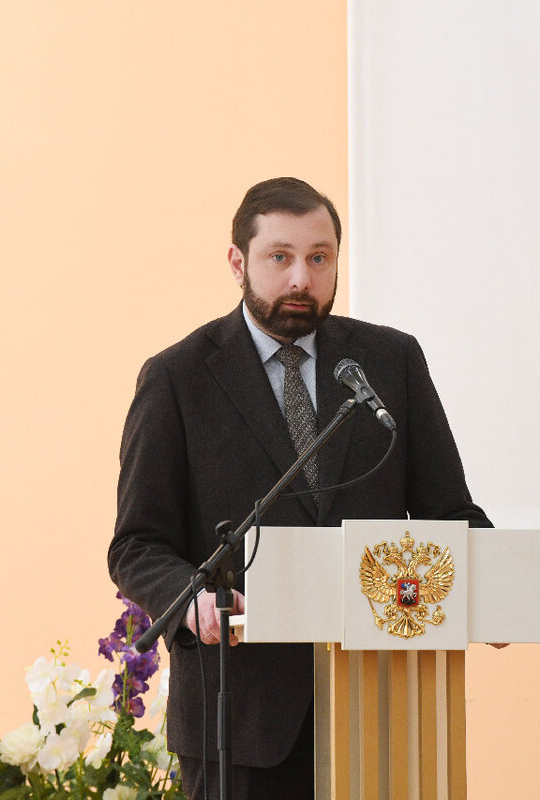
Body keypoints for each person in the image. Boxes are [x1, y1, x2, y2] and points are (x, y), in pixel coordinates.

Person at [108, 177, 491, 800]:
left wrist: (491, 585)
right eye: (280, 257)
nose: (301, 279)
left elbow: (448, 512)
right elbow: (137, 544)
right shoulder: (178, 377)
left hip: (380, 705)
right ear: (238, 262)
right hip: (240, 719)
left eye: (319, 258)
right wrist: (191, 599)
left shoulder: (390, 361)